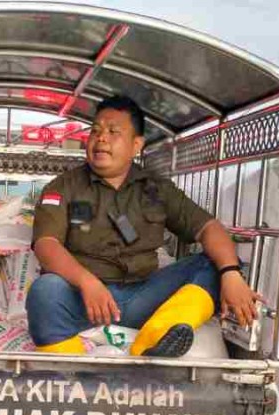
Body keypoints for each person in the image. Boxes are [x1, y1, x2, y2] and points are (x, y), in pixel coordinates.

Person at [27, 95, 261, 357]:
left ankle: (156, 338)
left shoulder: (156, 189)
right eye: (95, 131)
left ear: (136, 145)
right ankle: (70, 369)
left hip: (144, 296)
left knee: (218, 263)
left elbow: (208, 228)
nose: (101, 138)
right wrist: (86, 282)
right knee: (44, 291)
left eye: (113, 132)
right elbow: (46, 244)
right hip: (83, 299)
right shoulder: (63, 187)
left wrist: (231, 273)